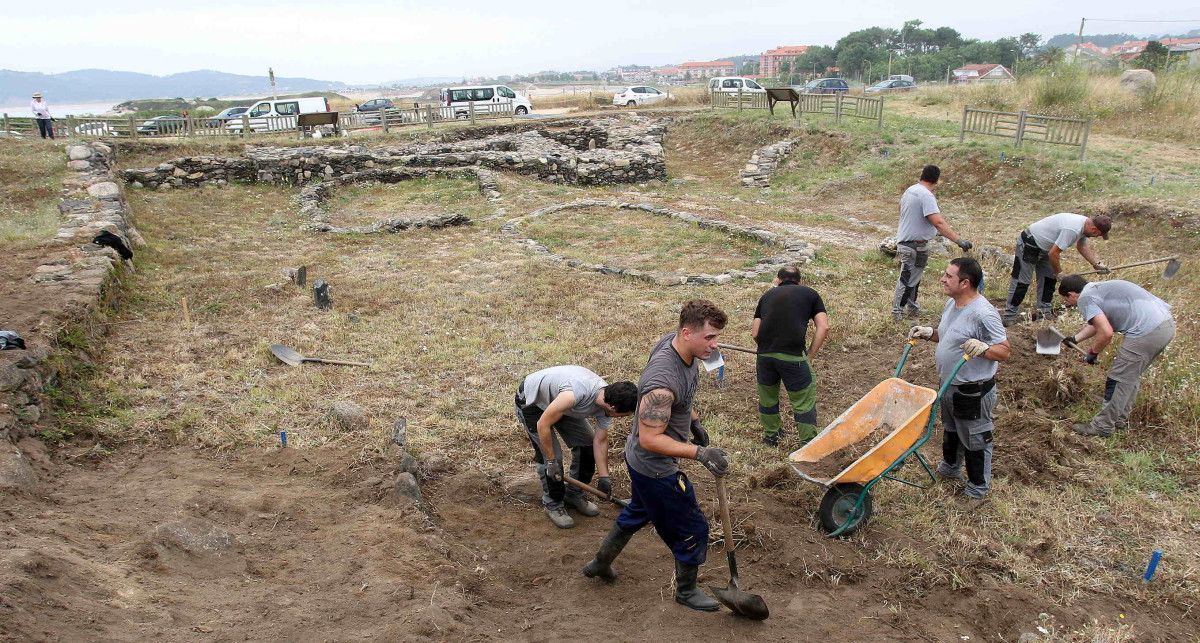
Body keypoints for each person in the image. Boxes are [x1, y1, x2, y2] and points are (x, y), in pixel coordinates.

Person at [581, 300, 731, 613]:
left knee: (638, 510)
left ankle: (599, 563)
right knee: (693, 528)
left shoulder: (678, 342)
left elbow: (682, 398)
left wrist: (695, 422)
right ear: (687, 332)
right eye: (710, 338)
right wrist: (699, 452)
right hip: (655, 466)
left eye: (717, 337)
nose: (715, 345)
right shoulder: (662, 383)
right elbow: (651, 439)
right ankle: (686, 590)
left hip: (642, 460)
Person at [909, 258, 1010, 506]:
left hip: (972, 390)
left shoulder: (984, 313)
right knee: (952, 429)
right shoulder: (952, 303)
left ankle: (977, 490)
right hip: (950, 385)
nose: (942, 279)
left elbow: (1005, 351)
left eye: (948, 276)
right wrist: (930, 333)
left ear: (965, 283)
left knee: (976, 438)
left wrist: (985, 348)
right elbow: (950, 336)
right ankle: (950, 468)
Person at [515, 366, 637, 529]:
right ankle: (553, 503)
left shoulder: (607, 401)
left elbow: (599, 441)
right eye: (623, 415)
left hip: (560, 405)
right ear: (613, 408)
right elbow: (543, 424)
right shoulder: (575, 394)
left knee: (587, 444)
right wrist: (551, 462)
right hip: (532, 403)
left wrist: (604, 476)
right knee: (554, 457)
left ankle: (574, 493)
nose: (622, 418)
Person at [1057, 275, 1175, 437]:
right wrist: (1075, 339)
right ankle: (1119, 419)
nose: (1067, 304)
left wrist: (1092, 353)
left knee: (1117, 379)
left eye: (1066, 300)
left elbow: (1106, 332)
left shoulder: (1085, 298)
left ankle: (1102, 426)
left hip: (1146, 331)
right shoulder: (1096, 289)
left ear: (1072, 294)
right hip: (1165, 325)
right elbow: (1100, 323)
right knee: (1130, 376)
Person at [752, 265, 829, 447]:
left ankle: (772, 435)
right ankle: (807, 443)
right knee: (803, 401)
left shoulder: (766, 296)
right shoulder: (810, 294)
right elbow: (823, 327)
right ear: (799, 281)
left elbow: (755, 333)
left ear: (778, 280)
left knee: (768, 398)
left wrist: (768, 349)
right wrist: (810, 354)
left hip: (764, 357)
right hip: (794, 357)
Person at [892, 164, 972, 321]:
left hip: (909, 242)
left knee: (914, 278)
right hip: (914, 244)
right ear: (936, 180)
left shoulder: (910, 190)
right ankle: (897, 312)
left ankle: (912, 307)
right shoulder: (926, 195)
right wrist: (958, 240)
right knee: (907, 279)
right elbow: (938, 222)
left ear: (922, 176)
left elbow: (900, 208)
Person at [1002, 213, 1112, 326]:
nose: (1096, 237)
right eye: (1098, 235)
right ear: (1094, 229)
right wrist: (1059, 273)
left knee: (1049, 280)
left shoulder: (1086, 227)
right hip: (1030, 243)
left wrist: (1096, 264)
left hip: (1047, 248)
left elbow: (1082, 246)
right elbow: (1054, 253)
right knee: (1022, 282)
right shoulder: (1073, 230)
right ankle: (1009, 316)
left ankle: (1044, 312)